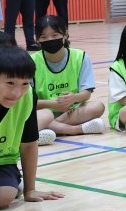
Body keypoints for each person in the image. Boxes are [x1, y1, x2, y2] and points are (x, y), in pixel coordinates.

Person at [0, 43, 64, 210]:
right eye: (10, 83)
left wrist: (30, 190)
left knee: (2, 197)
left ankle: (11, 185)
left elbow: (29, 144)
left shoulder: (27, 97)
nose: (17, 92)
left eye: (24, 84)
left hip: (0, 162)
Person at [32, 15, 106, 146]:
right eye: (44, 37)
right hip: (43, 112)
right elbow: (28, 101)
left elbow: (86, 93)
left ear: (65, 34)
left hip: (71, 112)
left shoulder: (80, 56)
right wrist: (54, 104)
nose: (50, 40)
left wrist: (74, 98)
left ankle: (46, 129)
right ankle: (75, 130)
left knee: (97, 106)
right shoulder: (31, 62)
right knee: (42, 115)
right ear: (37, 39)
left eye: (55, 35)